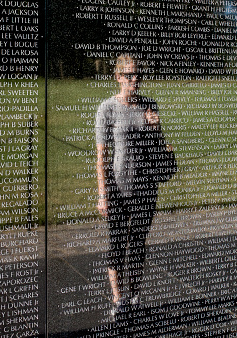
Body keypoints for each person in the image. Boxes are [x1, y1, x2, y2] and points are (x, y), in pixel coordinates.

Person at [95, 54, 161, 321]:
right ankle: (118, 299)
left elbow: (158, 148)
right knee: (116, 245)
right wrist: (103, 195)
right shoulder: (107, 108)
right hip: (119, 188)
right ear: (118, 77)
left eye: (139, 75)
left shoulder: (148, 104)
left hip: (145, 187)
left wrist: (156, 128)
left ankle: (133, 297)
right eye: (130, 75)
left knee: (138, 245)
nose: (136, 80)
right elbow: (101, 156)